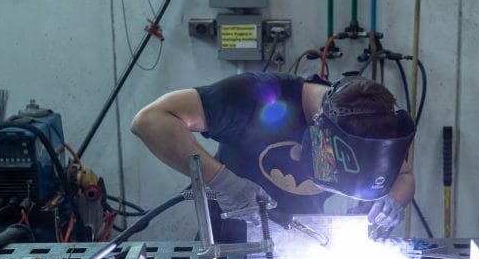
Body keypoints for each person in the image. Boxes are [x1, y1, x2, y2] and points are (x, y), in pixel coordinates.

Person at [130, 72, 416, 242]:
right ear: (321, 131)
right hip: (230, 252)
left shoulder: (364, 130)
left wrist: (391, 202)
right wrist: (223, 182)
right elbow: (151, 120)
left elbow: (402, 176)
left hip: (308, 252)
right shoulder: (254, 97)